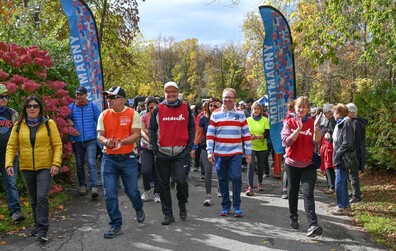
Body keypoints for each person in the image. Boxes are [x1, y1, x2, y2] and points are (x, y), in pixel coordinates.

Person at [6, 96, 62, 242]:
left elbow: (57, 145)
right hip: (26, 167)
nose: (32, 108)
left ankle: (43, 229)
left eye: (35, 106)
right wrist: (9, 164)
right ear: (25, 109)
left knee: (42, 196)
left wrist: (56, 163)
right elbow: (11, 146)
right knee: (34, 198)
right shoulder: (18, 125)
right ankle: (38, 225)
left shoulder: (49, 124)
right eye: (29, 106)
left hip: (45, 166)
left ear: (40, 108)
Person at [97, 86, 145, 239]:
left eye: (112, 97)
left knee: (132, 191)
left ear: (122, 99)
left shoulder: (133, 114)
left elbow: (136, 135)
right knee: (109, 194)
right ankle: (115, 224)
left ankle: (138, 207)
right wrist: (107, 142)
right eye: (107, 97)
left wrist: (122, 143)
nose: (108, 100)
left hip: (128, 157)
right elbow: (100, 136)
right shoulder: (104, 115)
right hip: (108, 158)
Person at [148, 81, 195, 225]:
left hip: (181, 153)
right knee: (163, 185)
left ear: (178, 92)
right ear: (164, 93)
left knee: (181, 181)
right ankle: (168, 214)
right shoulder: (158, 109)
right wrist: (154, 148)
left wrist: (188, 148)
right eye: (168, 91)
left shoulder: (186, 108)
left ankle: (182, 204)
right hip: (162, 153)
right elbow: (151, 129)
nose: (171, 94)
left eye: (174, 91)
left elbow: (192, 128)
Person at [281, 96, 323, 237]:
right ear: (295, 107)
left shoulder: (312, 122)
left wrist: (316, 127)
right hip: (292, 164)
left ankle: (313, 224)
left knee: (308, 193)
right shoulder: (289, 121)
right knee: (292, 192)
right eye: (299, 107)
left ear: (308, 109)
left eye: (304, 107)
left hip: (308, 164)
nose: (301, 109)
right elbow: (287, 142)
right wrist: (298, 128)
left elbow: (317, 143)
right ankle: (293, 216)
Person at [207, 88, 252, 217]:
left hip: (236, 152)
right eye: (225, 97)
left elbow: (246, 135)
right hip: (220, 153)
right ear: (222, 98)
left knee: (237, 177)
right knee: (222, 179)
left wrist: (248, 152)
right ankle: (225, 206)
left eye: (230, 97)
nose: (227, 100)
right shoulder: (215, 114)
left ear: (235, 99)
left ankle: (237, 205)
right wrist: (210, 151)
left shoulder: (241, 114)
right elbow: (210, 135)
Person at [68, 86, 101, 198]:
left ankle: (94, 187)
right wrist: (71, 139)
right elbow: (68, 124)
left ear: (86, 95)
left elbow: (99, 120)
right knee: (80, 164)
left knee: (92, 163)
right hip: (77, 141)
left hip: (91, 139)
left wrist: (98, 134)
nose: (78, 96)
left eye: (81, 94)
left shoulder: (92, 106)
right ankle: (82, 185)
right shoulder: (71, 107)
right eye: (77, 94)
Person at [0, 84, 25, 222]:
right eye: (1, 97)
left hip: (9, 157)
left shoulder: (13, 114)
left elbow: (20, 134)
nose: (4, 99)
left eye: (6, 96)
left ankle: (15, 212)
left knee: (11, 183)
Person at [190, 97, 221, 206]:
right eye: (210, 106)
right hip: (206, 147)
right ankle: (208, 196)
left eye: (215, 106)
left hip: (221, 147)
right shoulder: (204, 118)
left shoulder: (223, 117)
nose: (212, 108)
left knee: (220, 170)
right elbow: (198, 133)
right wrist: (194, 148)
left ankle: (220, 189)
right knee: (207, 171)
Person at [331, 103, 355, 215]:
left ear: (339, 113)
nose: (333, 115)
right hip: (340, 157)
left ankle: (342, 206)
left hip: (343, 157)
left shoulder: (346, 123)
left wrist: (338, 153)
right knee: (341, 181)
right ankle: (344, 205)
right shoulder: (341, 123)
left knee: (339, 182)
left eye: (334, 113)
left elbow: (347, 142)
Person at [245, 102, 270, 196]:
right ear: (252, 110)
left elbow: (267, 134)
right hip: (250, 146)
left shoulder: (265, 120)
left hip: (262, 146)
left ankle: (259, 182)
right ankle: (250, 186)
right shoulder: (248, 120)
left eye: (258, 109)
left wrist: (258, 137)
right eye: (254, 109)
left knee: (260, 166)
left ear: (261, 110)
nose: (256, 110)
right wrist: (249, 136)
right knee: (250, 165)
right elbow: (244, 132)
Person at [346, 103, 368, 203]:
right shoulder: (353, 122)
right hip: (355, 151)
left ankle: (356, 196)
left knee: (353, 173)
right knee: (351, 173)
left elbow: (356, 139)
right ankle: (355, 191)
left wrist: (352, 151)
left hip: (356, 152)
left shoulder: (356, 123)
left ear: (353, 112)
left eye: (347, 112)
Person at [140, 97, 160, 203]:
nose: (152, 109)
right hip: (146, 147)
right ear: (147, 107)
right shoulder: (144, 117)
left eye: (154, 107)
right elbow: (142, 131)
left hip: (159, 148)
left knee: (158, 171)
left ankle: (157, 192)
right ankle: (147, 189)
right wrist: (151, 140)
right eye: (150, 107)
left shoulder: (161, 117)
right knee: (146, 170)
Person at [320, 104, 336, 194]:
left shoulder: (333, 121)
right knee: (327, 167)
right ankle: (330, 185)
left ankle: (332, 186)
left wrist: (326, 133)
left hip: (329, 147)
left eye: (326, 113)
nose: (325, 115)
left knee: (329, 167)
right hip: (326, 147)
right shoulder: (329, 120)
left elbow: (331, 133)